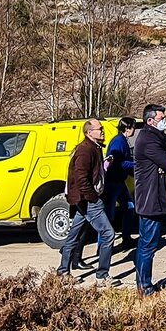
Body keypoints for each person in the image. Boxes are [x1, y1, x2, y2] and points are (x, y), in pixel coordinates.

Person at [57, 118, 119, 286]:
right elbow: (81, 179)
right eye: (99, 129)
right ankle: (102, 276)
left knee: (74, 234)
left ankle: (63, 272)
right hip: (87, 200)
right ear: (89, 132)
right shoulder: (85, 151)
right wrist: (94, 198)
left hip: (84, 199)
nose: (102, 131)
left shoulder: (94, 148)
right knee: (108, 234)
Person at [134, 104, 166, 295]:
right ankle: (144, 285)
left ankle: (143, 282)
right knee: (148, 245)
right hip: (150, 200)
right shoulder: (149, 140)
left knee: (147, 243)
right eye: (161, 118)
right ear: (150, 121)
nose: (165, 121)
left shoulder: (154, 138)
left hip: (152, 197)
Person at [104, 116, 137, 250]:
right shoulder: (119, 142)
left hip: (119, 182)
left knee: (129, 208)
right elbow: (117, 162)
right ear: (127, 128)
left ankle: (126, 238)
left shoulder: (123, 141)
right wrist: (134, 164)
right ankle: (104, 246)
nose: (134, 130)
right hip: (112, 183)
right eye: (133, 127)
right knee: (108, 216)